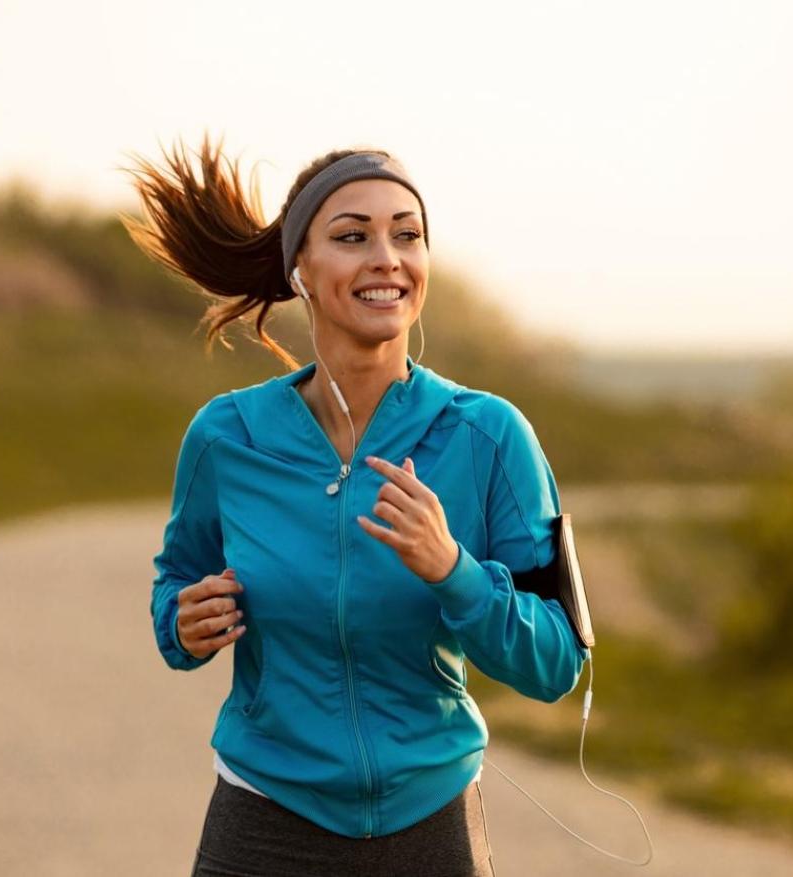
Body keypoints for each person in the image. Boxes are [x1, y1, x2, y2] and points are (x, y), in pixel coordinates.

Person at [121, 136, 589, 877]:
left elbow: (557, 661)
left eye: (408, 234)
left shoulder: (488, 435)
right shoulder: (227, 436)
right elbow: (174, 586)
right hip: (263, 819)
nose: (387, 257)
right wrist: (182, 622)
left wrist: (454, 570)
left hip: (428, 825)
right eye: (352, 236)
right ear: (298, 269)